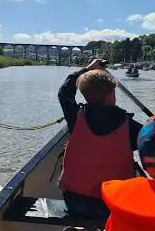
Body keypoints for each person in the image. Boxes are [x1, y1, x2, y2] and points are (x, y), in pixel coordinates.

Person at [57, 59, 143, 221]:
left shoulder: (75, 117)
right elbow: (152, 147)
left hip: (75, 202)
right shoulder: (131, 127)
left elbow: (64, 92)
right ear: (111, 95)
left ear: (84, 94)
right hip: (113, 205)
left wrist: (88, 68)